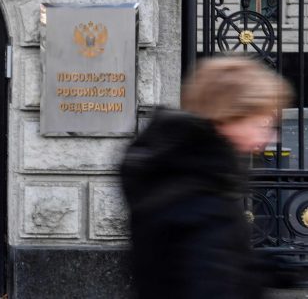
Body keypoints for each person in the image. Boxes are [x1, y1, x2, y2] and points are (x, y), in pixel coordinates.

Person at [121, 56, 294, 299]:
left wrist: (263, 269)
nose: (271, 136)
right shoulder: (203, 197)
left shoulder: (184, 173)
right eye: (261, 123)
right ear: (228, 118)